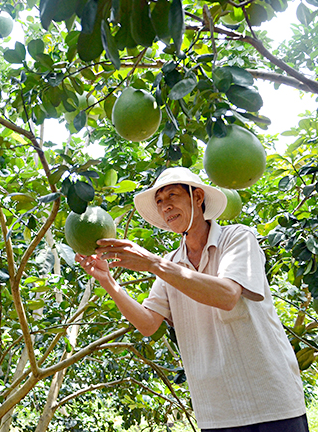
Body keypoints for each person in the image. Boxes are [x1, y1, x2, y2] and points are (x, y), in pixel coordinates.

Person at [76, 167, 308, 432]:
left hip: (272, 403)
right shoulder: (172, 265)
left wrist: (154, 263)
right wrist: (108, 282)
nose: (165, 206)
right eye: (159, 201)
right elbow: (148, 324)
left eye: (172, 195)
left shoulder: (237, 238)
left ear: (197, 197)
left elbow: (227, 295)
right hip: (217, 411)